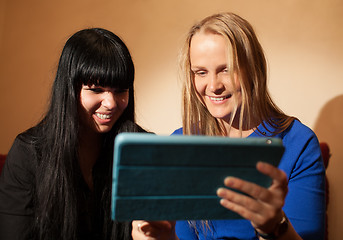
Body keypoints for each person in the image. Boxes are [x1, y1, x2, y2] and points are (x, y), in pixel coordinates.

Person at [132, 12, 325, 240]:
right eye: (201, 72)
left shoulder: (298, 143)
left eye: (226, 69)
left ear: (253, 70)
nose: (213, 86)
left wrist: (273, 226)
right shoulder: (181, 143)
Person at [0, 28, 145, 240]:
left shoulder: (141, 149)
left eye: (120, 90)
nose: (111, 103)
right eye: (96, 90)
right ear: (69, 90)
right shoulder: (29, 154)